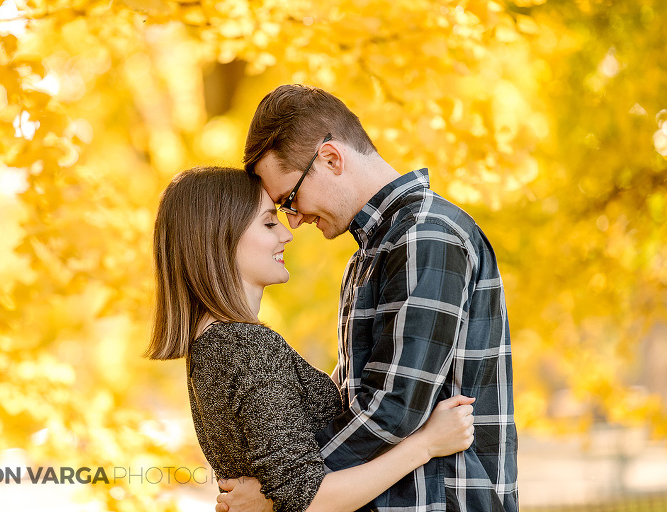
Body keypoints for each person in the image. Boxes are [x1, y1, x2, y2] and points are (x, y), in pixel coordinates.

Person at [218, 85, 518, 512]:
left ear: (330, 158)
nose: (295, 220)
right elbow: (355, 401)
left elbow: (393, 408)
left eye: (290, 198)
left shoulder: (423, 235)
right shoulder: (370, 255)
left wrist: (279, 492)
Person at [145, 166, 476, 512]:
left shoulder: (217, 343)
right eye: (269, 223)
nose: (287, 235)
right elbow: (310, 499)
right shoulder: (244, 346)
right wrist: (427, 444)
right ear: (219, 237)